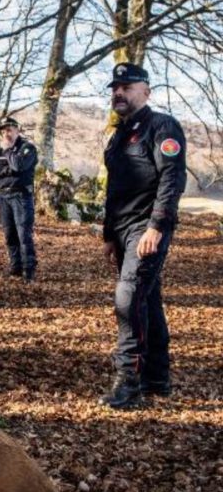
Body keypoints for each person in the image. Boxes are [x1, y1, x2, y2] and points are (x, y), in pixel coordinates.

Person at [100, 62, 186, 410]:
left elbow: (172, 179)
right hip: (122, 231)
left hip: (146, 228)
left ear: (145, 91)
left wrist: (156, 226)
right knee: (147, 300)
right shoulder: (118, 136)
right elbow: (114, 191)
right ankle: (157, 377)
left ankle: (128, 382)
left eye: (127, 86)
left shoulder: (162, 126)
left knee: (128, 298)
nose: (119, 92)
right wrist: (108, 234)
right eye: (115, 87)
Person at [0, 116, 39, 282]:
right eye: (3, 131)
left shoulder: (27, 148)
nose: (6, 134)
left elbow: (19, 166)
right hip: (4, 196)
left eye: (9, 130)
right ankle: (15, 267)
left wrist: (9, 153)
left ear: (17, 130)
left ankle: (28, 270)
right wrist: (8, 170)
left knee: (24, 234)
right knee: (9, 234)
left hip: (21, 196)